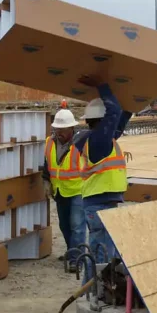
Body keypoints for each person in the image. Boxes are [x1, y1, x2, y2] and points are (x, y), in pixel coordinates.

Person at [76, 77, 131, 264]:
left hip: (100, 202)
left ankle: (94, 289)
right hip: (99, 204)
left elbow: (119, 122)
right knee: (103, 256)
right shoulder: (98, 142)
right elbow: (114, 112)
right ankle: (96, 292)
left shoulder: (102, 140)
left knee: (103, 252)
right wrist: (102, 86)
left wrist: (131, 105)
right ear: (101, 120)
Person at [42, 109, 87, 271]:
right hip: (59, 191)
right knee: (64, 225)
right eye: (57, 130)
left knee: (77, 226)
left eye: (62, 130)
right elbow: (47, 164)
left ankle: (77, 259)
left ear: (71, 129)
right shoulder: (49, 142)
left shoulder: (80, 143)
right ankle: (72, 251)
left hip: (77, 190)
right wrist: (46, 181)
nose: (59, 133)